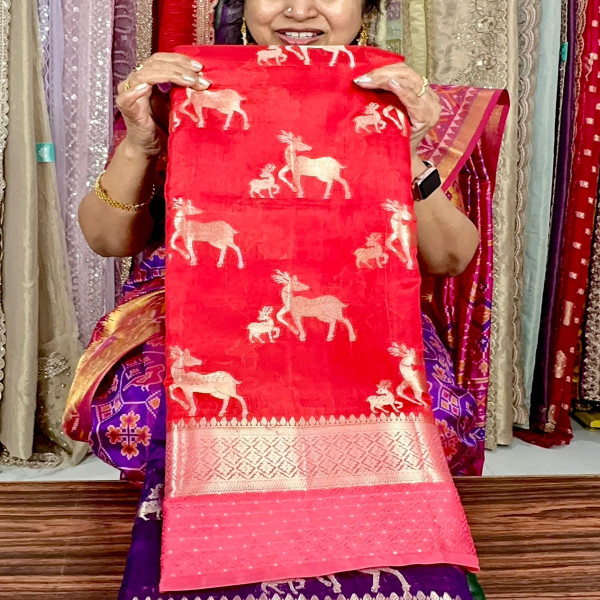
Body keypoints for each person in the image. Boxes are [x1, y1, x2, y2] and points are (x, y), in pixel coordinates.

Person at [63, 0, 508, 596]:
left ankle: (362, 544)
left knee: (427, 406)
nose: (298, 10)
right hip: (203, 308)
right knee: (152, 407)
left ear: (367, 7)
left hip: (361, 307)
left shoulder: (401, 99)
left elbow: (450, 258)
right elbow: (106, 240)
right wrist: (142, 142)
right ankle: (216, 537)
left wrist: (405, 147)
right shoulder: (189, 92)